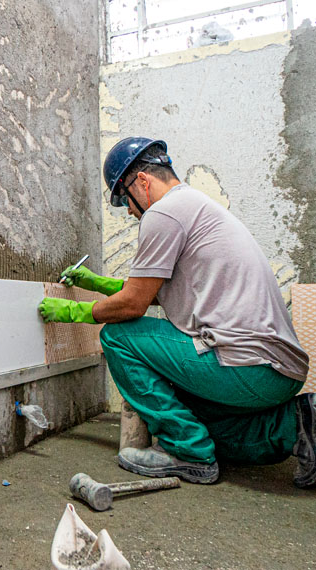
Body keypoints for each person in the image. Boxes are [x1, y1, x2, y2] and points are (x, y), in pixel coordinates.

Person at [38, 136, 315, 487]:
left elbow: (134, 303)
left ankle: (188, 453)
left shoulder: (164, 213)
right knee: (196, 416)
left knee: (119, 336)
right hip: (279, 375)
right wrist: (94, 282)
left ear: (142, 181)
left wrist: (73, 312)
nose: (128, 210)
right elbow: (151, 291)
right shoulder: (194, 207)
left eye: (124, 198)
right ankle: (298, 425)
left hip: (247, 366)